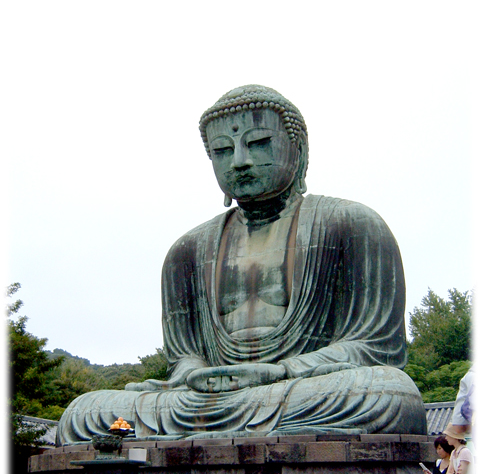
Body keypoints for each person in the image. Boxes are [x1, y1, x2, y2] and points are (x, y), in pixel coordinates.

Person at [56, 85, 427, 445]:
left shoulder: (352, 224)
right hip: (205, 400)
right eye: (221, 150)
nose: (239, 161)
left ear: (297, 150)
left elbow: (375, 348)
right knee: (86, 412)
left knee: (389, 394)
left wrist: (282, 371)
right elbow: (184, 358)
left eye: (258, 143)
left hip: (301, 388)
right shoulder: (186, 251)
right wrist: (198, 376)